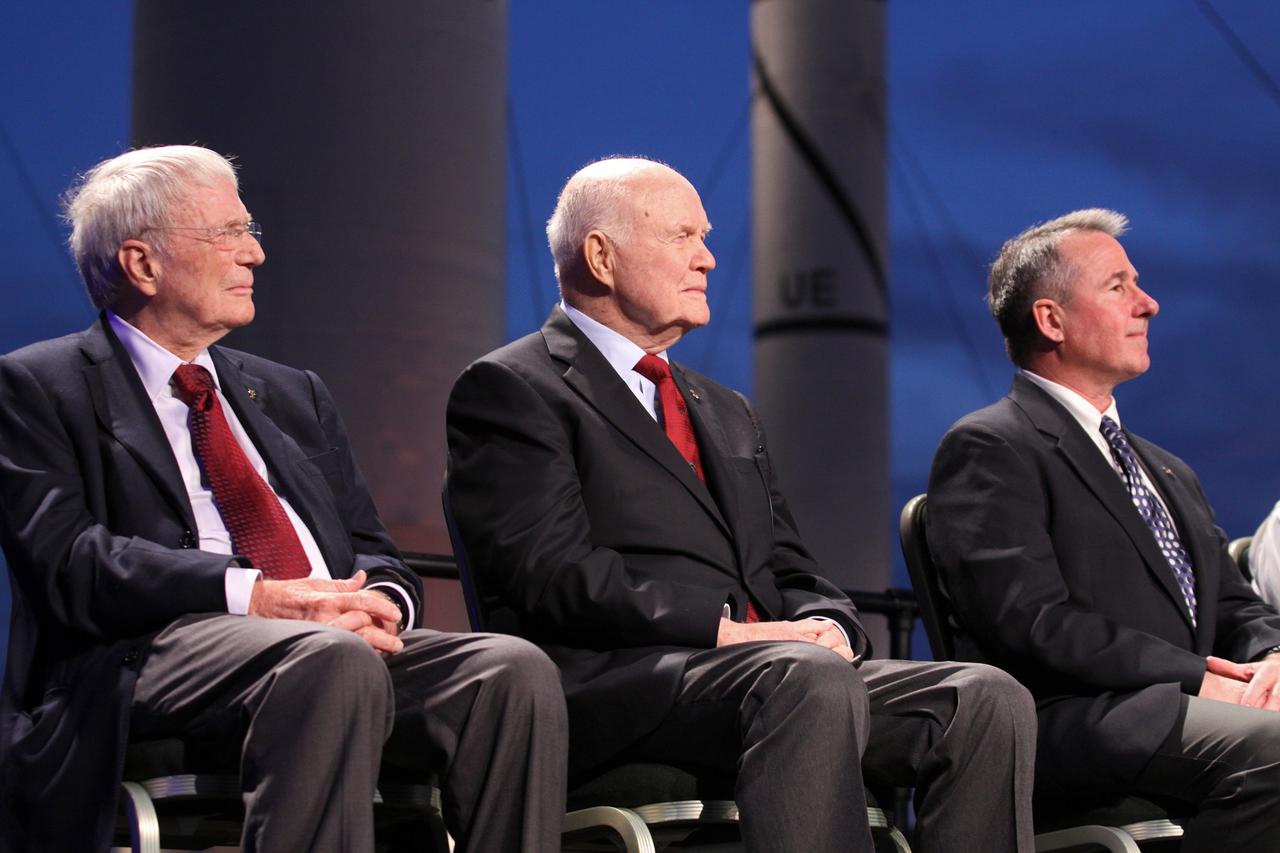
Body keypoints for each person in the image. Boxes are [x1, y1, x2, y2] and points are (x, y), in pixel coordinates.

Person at [446, 156, 1036, 853]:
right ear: (601, 256)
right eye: (682, 237)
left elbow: (789, 565)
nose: (709, 258)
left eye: (706, 236)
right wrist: (729, 633)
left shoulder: (726, 410)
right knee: (803, 678)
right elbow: (550, 573)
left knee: (983, 697)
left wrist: (829, 624)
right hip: (623, 681)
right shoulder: (515, 387)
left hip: (773, 670)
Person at [0, 145, 567, 853]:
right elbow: (70, 563)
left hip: (325, 637)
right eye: (226, 234)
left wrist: (380, 602)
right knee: (327, 659)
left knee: (509, 670)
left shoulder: (293, 392)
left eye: (251, 230)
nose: (254, 255)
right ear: (143, 264)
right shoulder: (39, 385)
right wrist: (262, 597)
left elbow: (372, 547)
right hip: (148, 648)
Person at [926, 208, 1280, 851]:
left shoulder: (1166, 468)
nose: (1149, 304)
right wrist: (1201, 675)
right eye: (1118, 286)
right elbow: (1031, 620)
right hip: (1077, 721)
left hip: (1185, 708)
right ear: (1051, 319)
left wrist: (1272, 660)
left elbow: (1234, 605)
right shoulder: (991, 445)